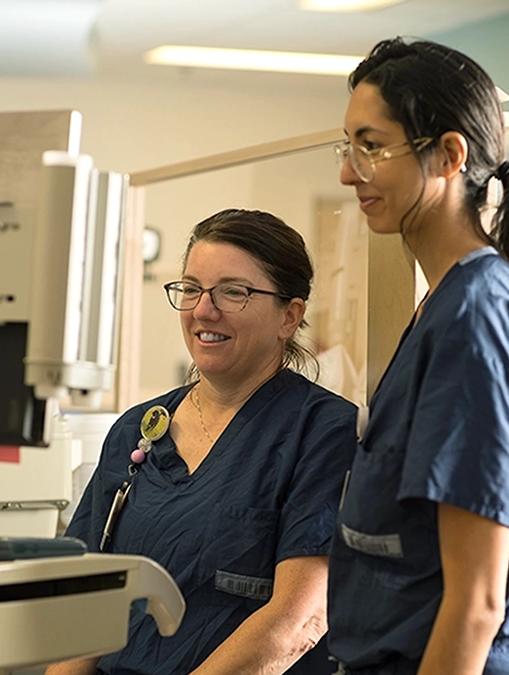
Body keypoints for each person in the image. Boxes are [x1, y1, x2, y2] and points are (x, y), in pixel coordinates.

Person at [326, 38, 509, 675]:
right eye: (348, 145)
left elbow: (475, 602)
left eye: (372, 145)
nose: (347, 171)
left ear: (448, 155)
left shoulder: (476, 320)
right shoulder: (445, 305)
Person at [46, 209, 357, 675]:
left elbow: (299, 620)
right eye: (191, 288)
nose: (202, 311)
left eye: (233, 292)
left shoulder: (324, 434)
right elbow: (86, 599)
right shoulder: (138, 429)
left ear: (289, 317)